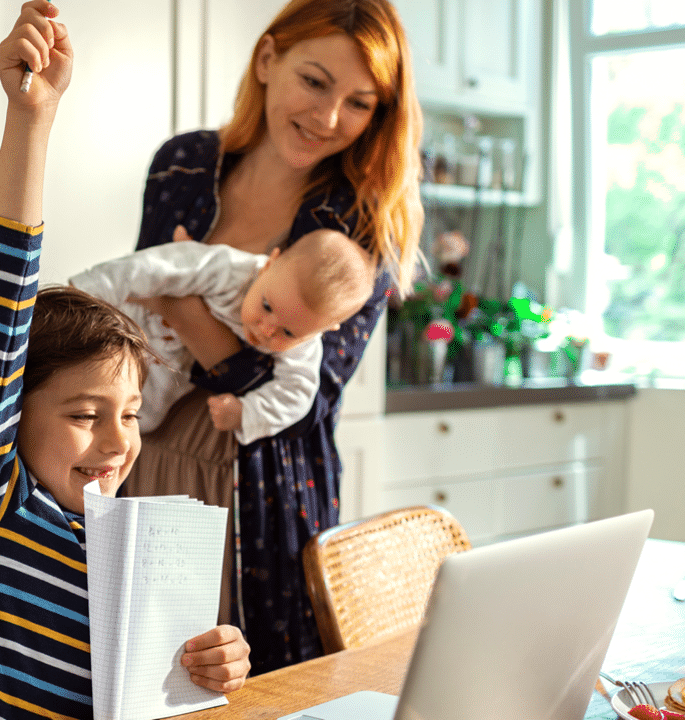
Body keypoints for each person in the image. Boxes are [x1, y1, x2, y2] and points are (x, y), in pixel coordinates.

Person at [0, 3, 251, 718]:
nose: (117, 442)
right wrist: (31, 118)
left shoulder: (121, 534)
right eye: (84, 414)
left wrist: (214, 660)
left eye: (131, 415)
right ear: (9, 411)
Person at [124, 0, 423, 673]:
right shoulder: (182, 165)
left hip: (264, 487)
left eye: (359, 103)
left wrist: (185, 304)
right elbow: (138, 329)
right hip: (146, 455)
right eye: (315, 82)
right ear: (267, 60)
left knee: (262, 688)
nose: (327, 118)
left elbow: (303, 395)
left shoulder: (363, 222)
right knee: (143, 679)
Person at [69, 226, 375, 443]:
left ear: (323, 331)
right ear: (268, 265)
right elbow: (154, 267)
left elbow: (297, 393)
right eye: (267, 306)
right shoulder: (229, 268)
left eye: (289, 332)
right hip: (138, 319)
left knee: (142, 417)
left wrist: (247, 412)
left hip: (175, 361)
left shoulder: (307, 343)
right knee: (85, 367)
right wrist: (85, 293)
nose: (266, 330)